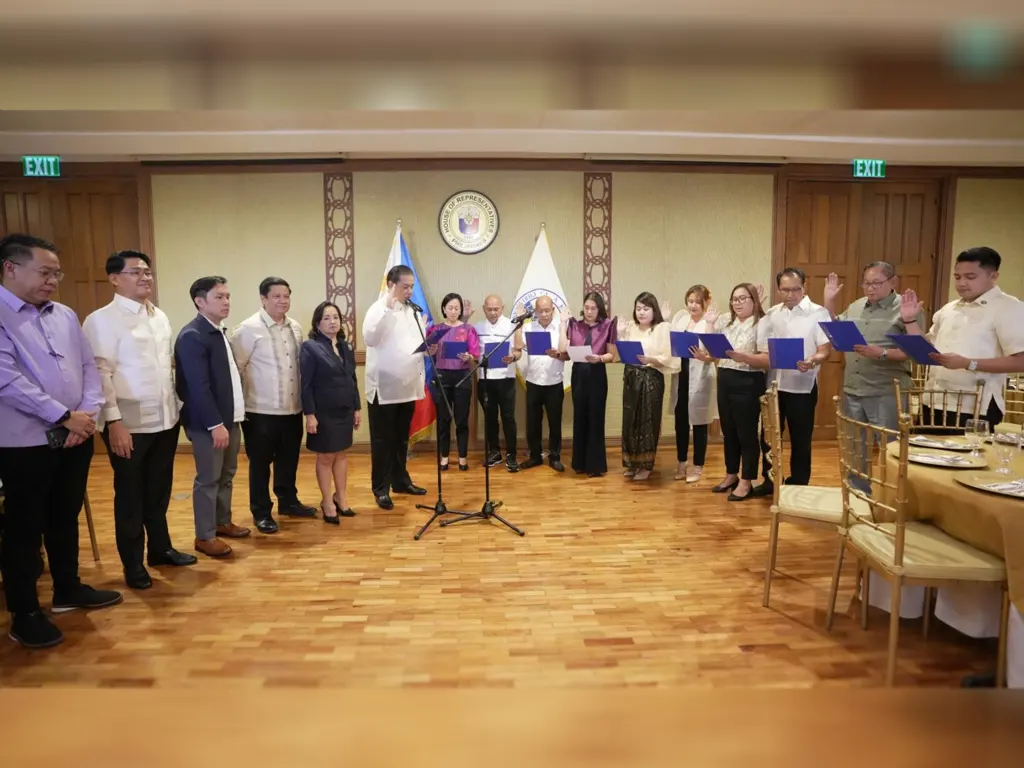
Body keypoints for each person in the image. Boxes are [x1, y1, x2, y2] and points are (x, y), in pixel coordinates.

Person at [0, 234, 122, 649]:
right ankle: (25, 612)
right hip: (24, 443)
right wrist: (63, 415)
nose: (52, 281)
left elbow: (89, 367)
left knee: (64, 515)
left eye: (56, 274)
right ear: (10, 268)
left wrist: (84, 416)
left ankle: (68, 588)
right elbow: (6, 380)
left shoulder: (65, 315)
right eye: (45, 273)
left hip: (75, 436)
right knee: (24, 527)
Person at [82, 249, 197, 590]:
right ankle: (132, 564)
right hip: (127, 424)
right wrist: (113, 422)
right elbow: (100, 374)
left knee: (158, 491)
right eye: (135, 272)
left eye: (147, 272)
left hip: (164, 419)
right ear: (114, 279)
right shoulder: (101, 320)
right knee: (130, 496)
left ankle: (160, 549)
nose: (145, 277)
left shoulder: (158, 315)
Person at [229, 277, 316, 534]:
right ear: (263, 299)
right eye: (276, 296)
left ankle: (288, 501)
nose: (282, 300)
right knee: (260, 463)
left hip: (292, 408)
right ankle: (261, 511)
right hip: (260, 411)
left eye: (286, 296)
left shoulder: (295, 327)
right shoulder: (247, 329)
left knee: (289, 459)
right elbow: (236, 369)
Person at [901, 247, 1024, 428]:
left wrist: (968, 363)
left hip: (975, 406)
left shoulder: (1009, 308)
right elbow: (927, 349)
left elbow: (1021, 361)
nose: (961, 283)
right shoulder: (949, 308)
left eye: (970, 277)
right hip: (933, 400)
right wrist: (909, 320)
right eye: (957, 277)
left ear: (993, 276)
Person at [174, 276, 251, 558]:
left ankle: (222, 521)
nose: (226, 301)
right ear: (199, 301)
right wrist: (215, 424)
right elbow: (198, 387)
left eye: (227, 296)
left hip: (230, 418)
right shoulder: (192, 335)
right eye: (219, 297)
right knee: (208, 478)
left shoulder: (218, 331)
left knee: (226, 474)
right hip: (209, 423)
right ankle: (204, 536)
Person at [752, 268, 832, 491]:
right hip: (774, 385)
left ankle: (798, 483)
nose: (790, 294)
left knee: (800, 438)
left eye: (795, 289)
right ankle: (770, 480)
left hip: (802, 386)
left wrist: (812, 360)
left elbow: (825, 350)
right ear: (778, 290)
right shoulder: (772, 314)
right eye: (785, 290)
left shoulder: (818, 313)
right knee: (769, 436)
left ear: (804, 287)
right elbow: (762, 347)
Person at [822, 262, 923, 433]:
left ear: (893, 281)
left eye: (876, 283)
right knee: (853, 446)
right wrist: (829, 302)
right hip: (853, 389)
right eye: (866, 283)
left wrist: (882, 353)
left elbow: (915, 351)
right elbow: (834, 328)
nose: (870, 288)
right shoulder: (856, 306)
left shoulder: (907, 308)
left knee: (889, 445)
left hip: (886, 392)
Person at [362, 265, 427, 509]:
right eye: (405, 287)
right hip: (384, 389)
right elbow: (370, 339)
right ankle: (381, 488)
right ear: (391, 285)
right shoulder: (377, 308)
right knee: (383, 441)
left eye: (412, 287)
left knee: (401, 440)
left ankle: (400, 481)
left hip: (407, 387)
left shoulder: (411, 311)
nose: (409, 291)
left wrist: (428, 347)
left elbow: (413, 344)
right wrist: (388, 310)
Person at [694, 282, 766, 501]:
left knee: (747, 433)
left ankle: (747, 480)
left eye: (743, 298)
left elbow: (767, 359)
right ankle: (731, 474)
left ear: (754, 300)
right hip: (725, 378)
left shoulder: (762, 323)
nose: (738, 303)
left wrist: (745, 357)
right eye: (735, 299)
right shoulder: (727, 322)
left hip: (748, 380)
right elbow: (713, 351)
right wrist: (706, 353)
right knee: (729, 431)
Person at [300, 301, 361, 524]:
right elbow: (306, 384)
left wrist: (357, 407)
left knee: (342, 454)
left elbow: (352, 379)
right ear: (317, 323)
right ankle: (327, 501)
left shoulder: (346, 346)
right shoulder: (311, 347)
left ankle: (341, 498)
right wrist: (310, 415)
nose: (332, 321)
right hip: (323, 412)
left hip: (345, 410)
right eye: (326, 318)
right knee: (326, 456)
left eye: (335, 317)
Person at [617, 292, 678, 481]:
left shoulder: (662, 328)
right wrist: (620, 334)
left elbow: (668, 356)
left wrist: (651, 359)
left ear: (654, 310)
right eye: (638, 308)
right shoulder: (631, 328)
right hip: (631, 377)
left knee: (647, 422)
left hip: (651, 378)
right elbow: (622, 353)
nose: (641, 312)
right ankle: (632, 463)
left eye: (645, 308)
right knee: (630, 421)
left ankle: (645, 465)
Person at [563, 292, 617, 477]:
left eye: (593, 308)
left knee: (595, 418)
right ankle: (579, 463)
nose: (589, 311)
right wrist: (563, 325)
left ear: (599, 309)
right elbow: (565, 351)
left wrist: (599, 358)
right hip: (579, 374)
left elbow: (612, 355)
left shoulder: (608, 325)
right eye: (586, 308)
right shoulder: (575, 325)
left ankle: (595, 465)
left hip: (597, 374)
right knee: (580, 417)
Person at [426, 292, 480, 471]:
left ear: (461, 310)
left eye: (457, 308)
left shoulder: (468, 329)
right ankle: (444, 457)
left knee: (462, 419)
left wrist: (469, 357)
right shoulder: (435, 330)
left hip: (462, 376)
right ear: (444, 309)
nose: (454, 311)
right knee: (443, 419)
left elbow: (475, 354)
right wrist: (431, 350)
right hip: (442, 377)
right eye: (450, 308)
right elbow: (427, 351)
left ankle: (462, 457)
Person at [669, 285, 717, 484]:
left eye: (698, 301)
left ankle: (698, 466)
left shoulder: (710, 322)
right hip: (682, 374)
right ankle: (681, 463)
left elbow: (716, 353)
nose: (693, 305)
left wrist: (706, 355)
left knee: (699, 423)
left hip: (701, 375)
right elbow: (671, 342)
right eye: (690, 301)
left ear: (706, 302)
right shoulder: (681, 320)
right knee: (680, 421)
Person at [515, 295, 565, 472]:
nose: (544, 314)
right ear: (535, 311)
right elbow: (518, 346)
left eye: (547, 310)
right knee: (533, 422)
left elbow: (566, 353)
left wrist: (557, 354)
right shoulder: (528, 327)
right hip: (534, 381)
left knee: (555, 422)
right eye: (540, 311)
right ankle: (535, 456)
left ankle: (555, 457)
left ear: (553, 310)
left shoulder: (560, 327)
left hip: (554, 382)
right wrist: (519, 323)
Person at [473, 294, 521, 472]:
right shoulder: (477, 327)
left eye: (496, 309)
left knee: (508, 417)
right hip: (485, 379)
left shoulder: (512, 325)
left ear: (503, 308)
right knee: (490, 418)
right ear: (484, 309)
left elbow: (518, 351)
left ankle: (511, 454)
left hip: (506, 379)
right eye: (489, 309)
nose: (493, 312)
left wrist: (513, 357)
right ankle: (494, 452)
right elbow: (473, 351)